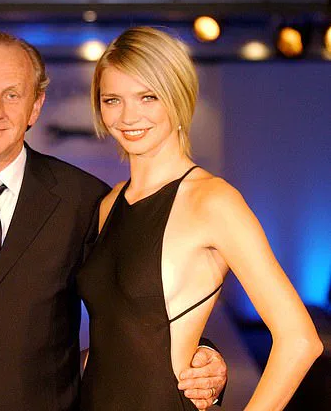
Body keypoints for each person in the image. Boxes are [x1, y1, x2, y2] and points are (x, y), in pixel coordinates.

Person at [0, 31, 226, 410]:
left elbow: (134, 304)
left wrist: (201, 354)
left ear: (36, 107)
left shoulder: (85, 200)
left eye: (12, 95)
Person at [77, 26, 323, 410]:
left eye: (148, 96)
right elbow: (117, 337)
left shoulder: (213, 201)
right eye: (112, 100)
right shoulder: (109, 203)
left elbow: (300, 340)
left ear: (178, 97)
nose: (128, 115)